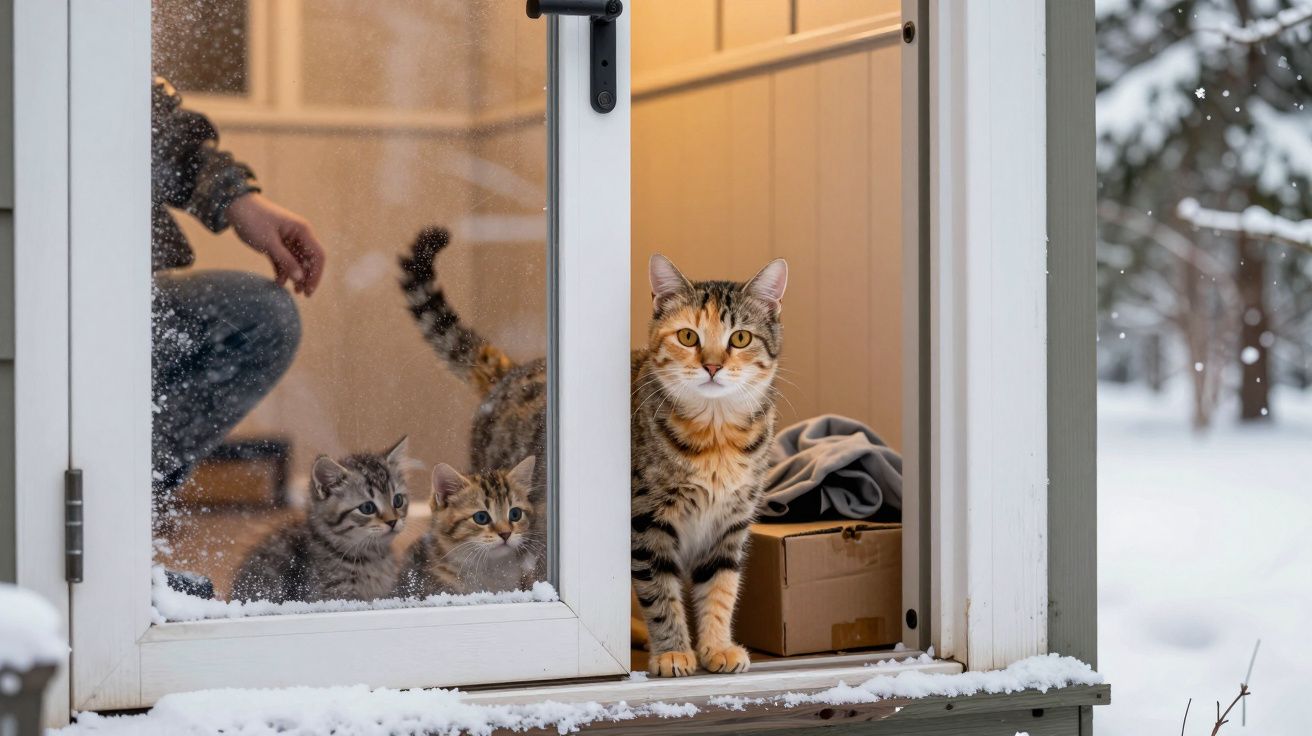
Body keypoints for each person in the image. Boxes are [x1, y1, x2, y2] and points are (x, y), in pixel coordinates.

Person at [150, 77, 325, 501]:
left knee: (262, 316)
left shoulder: (102, 42)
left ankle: (130, 496)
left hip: (121, 286)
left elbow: (148, 123)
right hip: (45, 291)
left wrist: (238, 199)